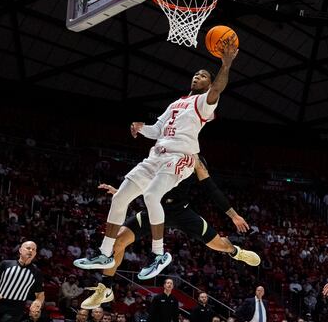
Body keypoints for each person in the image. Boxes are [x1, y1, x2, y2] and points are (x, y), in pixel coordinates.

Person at [74, 43, 240, 280]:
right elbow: (158, 130)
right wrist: (142, 128)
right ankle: (103, 253)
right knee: (121, 196)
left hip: (180, 157)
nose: (197, 76)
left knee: (151, 195)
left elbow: (218, 89)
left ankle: (159, 254)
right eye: (196, 74)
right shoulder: (176, 103)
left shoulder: (204, 102)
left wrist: (226, 64)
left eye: (203, 75)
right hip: (156, 155)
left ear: (208, 83)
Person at [76, 155, 259, 309]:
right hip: (153, 210)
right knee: (118, 242)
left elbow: (211, 189)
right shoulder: (161, 151)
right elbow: (143, 179)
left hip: (180, 212)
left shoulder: (195, 158)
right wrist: (122, 191)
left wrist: (233, 215)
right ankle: (105, 288)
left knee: (218, 244)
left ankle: (235, 252)